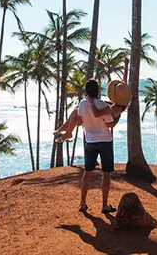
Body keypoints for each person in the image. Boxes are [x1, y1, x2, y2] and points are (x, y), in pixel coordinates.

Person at [54, 79, 127, 213]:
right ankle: (104, 205)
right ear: (98, 91)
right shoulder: (103, 105)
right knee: (106, 174)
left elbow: (79, 120)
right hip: (105, 141)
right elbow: (110, 124)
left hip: (90, 141)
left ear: (86, 91)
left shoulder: (81, 105)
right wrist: (117, 116)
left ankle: (82, 204)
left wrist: (68, 128)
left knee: (87, 173)